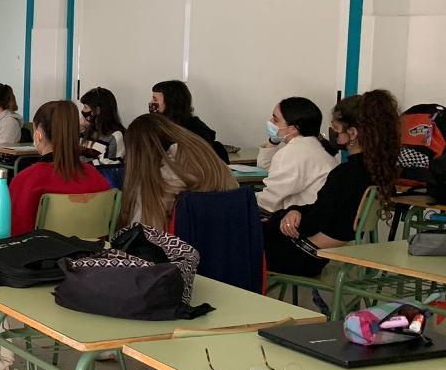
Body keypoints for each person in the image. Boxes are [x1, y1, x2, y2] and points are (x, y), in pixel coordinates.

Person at [263, 90, 401, 277]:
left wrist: (283, 216)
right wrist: (294, 210)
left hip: (303, 256)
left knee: (232, 241)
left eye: (336, 129)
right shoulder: (375, 170)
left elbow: (313, 222)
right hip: (317, 252)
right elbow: (323, 209)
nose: (333, 135)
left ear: (352, 133)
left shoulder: (346, 174)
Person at [120, 113, 238, 231]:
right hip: (233, 234)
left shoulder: (168, 171)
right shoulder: (202, 151)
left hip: (191, 243)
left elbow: (145, 229)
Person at [8, 101, 110, 235]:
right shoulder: (97, 177)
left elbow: (15, 233)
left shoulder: (26, 180)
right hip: (91, 252)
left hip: (40, 253)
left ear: (38, 134)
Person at [255, 97, 339, 215]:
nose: (270, 122)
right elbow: (265, 168)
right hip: (320, 217)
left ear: (293, 128)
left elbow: (269, 203)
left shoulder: (293, 152)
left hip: (305, 223)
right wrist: (273, 141)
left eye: (275, 120)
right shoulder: (313, 146)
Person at [150, 79, 228, 162]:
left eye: (155, 100)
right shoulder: (156, 125)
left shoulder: (196, 131)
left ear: (170, 102)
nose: (151, 102)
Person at [79, 87, 125, 164]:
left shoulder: (115, 136)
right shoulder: (84, 131)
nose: (83, 111)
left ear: (97, 110)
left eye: (86, 107)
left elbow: (108, 168)